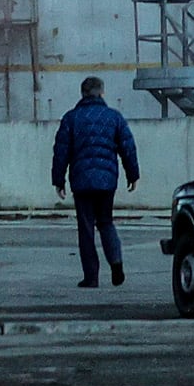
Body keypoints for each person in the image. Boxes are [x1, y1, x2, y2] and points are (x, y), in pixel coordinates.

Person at [50, 75, 140, 289]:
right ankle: (116, 262)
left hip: (81, 181)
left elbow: (61, 151)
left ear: (82, 94)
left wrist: (58, 180)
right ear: (102, 93)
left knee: (86, 228)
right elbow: (128, 147)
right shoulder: (114, 117)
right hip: (107, 181)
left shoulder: (71, 118)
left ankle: (91, 277)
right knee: (106, 222)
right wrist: (133, 174)